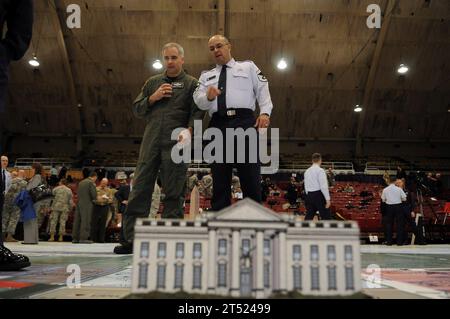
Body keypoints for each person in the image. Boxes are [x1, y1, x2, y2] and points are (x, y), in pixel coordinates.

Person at [114, 42, 204, 254]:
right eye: (167, 58)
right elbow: (137, 108)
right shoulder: (152, 82)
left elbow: (199, 112)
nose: (170, 62)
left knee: (174, 193)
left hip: (177, 144)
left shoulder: (192, 84)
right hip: (151, 142)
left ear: (182, 59)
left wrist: (190, 131)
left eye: (174, 58)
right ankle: (130, 240)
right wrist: (152, 98)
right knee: (140, 190)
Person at [193, 35, 273, 211]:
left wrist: (265, 112)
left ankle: (253, 222)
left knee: (250, 175)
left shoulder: (248, 67)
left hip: (245, 122)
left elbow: (263, 90)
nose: (216, 50)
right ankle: (220, 223)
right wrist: (208, 96)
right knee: (220, 178)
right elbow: (198, 100)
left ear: (229, 46)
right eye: (212, 48)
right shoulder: (206, 76)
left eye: (219, 46)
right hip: (217, 124)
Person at [26, 162, 53, 237]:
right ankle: (33, 238)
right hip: (41, 202)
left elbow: (30, 189)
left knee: (34, 220)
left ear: (35, 169)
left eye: (31, 168)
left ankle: (31, 238)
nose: (30, 170)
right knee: (37, 221)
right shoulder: (42, 177)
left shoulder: (37, 177)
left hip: (36, 203)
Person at [303, 153, 331, 220]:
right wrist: (328, 199)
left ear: (312, 160)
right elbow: (323, 186)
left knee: (309, 215)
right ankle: (329, 230)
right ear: (320, 160)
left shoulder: (306, 171)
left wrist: (309, 195)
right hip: (318, 195)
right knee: (325, 216)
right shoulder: (320, 171)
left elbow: (305, 186)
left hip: (309, 195)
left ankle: (303, 229)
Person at [72, 172, 97, 244]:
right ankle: (84, 238)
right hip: (87, 204)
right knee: (85, 220)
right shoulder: (90, 183)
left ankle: (75, 238)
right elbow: (93, 195)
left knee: (77, 221)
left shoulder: (81, 182)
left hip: (79, 203)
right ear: (94, 177)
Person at [2, 170, 27, 242]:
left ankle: (2, 236)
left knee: (4, 218)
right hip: (17, 202)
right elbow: (24, 194)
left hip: (6, 202)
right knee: (13, 219)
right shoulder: (24, 183)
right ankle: (9, 236)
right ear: (23, 174)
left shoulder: (10, 180)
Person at [381, 177, 407, 245]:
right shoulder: (399, 189)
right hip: (398, 207)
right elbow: (404, 199)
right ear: (395, 181)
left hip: (389, 207)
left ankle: (389, 242)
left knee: (389, 225)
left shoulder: (385, 189)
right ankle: (399, 242)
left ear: (389, 181)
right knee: (399, 225)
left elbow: (383, 200)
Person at [91, 178, 113, 243]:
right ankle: (93, 238)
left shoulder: (109, 190)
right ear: (101, 182)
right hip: (96, 207)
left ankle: (101, 239)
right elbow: (93, 199)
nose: (104, 184)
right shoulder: (96, 189)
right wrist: (101, 198)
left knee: (103, 223)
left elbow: (111, 200)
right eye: (103, 183)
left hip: (105, 207)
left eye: (105, 183)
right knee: (94, 223)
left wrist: (106, 199)